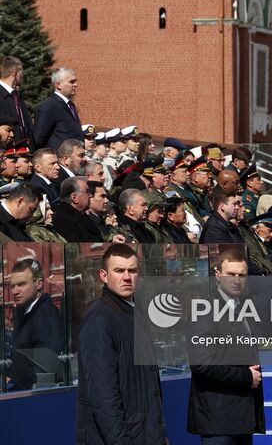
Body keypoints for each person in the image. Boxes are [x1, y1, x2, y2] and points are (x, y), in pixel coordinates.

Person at [77, 244, 168, 445]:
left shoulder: (136, 312)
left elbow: (147, 387)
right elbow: (104, 398)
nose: (127, 277)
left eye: (132, 270)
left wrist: (159, 436)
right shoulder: (99, 320)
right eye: (119, 270)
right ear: (104, 275)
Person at [188, 246, 265, 444]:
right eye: (230, 274)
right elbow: (202, 364)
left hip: (240, 417)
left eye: (242, 275)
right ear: (217, 275)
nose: (236, 280)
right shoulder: (204, 310)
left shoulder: (244, 307)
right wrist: (245, 376)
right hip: (218, 419)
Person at [9, 258, 66, 389]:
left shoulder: (46, 316)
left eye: (21, 284)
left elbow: (45, 371)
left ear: (39, 284)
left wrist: (12, 385)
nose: (15, 291)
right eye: (12, 286)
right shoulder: (25, 313)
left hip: (32, 398)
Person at [33, 68, 84, 149]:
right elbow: (38, 139)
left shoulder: (70, 105)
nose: (75, 85)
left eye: (75, 81)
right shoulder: (49, 106)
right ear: (58, 85)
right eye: (71, 82)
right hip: (58, 158)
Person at [52, 176, 103, 241]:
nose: (90, 195)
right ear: (75, 198)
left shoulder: (81, 215)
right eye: (87, 191)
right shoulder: (64, 220)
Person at [0, 56, 34, 148]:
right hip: (8, 153)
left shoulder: (16, 97)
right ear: (15, 73)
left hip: (24, 152)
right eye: (21, 73)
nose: (22, 77)